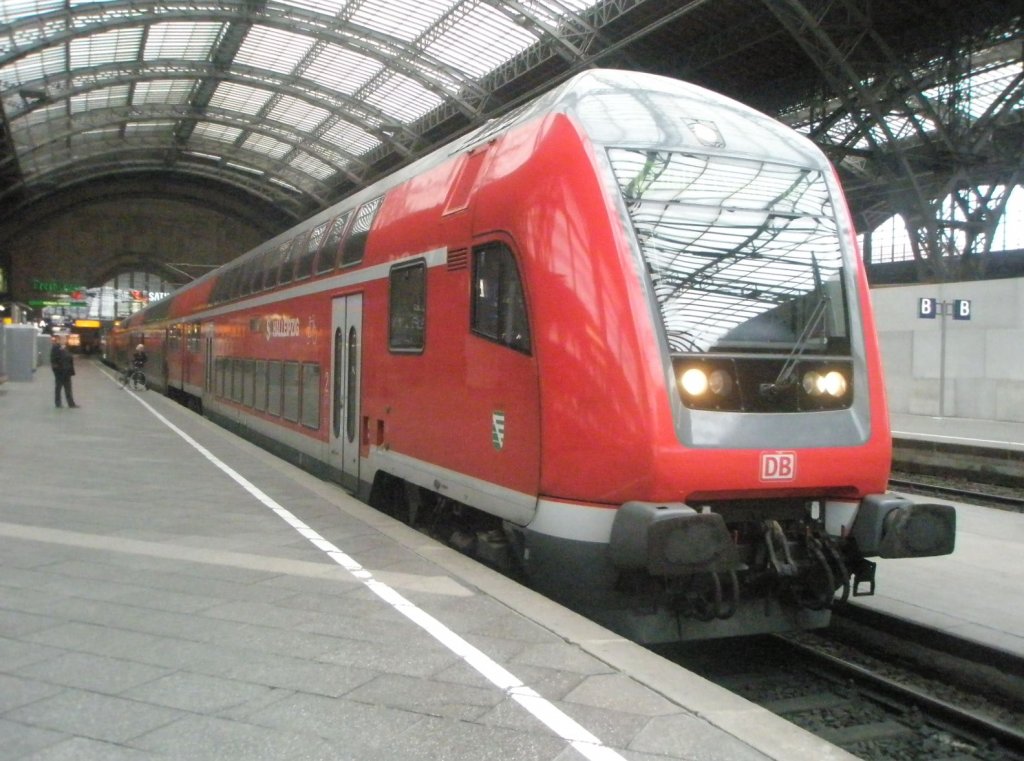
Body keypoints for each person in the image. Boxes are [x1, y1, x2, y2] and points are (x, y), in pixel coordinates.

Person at [50, 334, 78, 408]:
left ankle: (71, 403)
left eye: (65, 339)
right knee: (58, 388)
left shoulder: (66, 348)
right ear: (59, 340)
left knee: (68, 388)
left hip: (67, 372)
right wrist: (56, 370)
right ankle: (58, 403)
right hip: (59, 372)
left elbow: (69, 358)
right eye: (63, 339)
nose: (65, 340)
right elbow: (53, 360)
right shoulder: (55, 348)